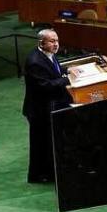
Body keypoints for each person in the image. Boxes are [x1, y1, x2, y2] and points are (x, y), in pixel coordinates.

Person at [22, 29, 72, 183]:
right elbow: (46, 85)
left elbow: (54, 70)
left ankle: (49, 171)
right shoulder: (35, 61)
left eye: (57, 40)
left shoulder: (48, 54)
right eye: (52, 41)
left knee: (48, 141)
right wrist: (67, 79)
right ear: (41, 43)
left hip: (47, 106)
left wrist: (66, 70)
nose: (56, 44)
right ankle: (38, 176)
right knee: (40, 143)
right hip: (39, 110)